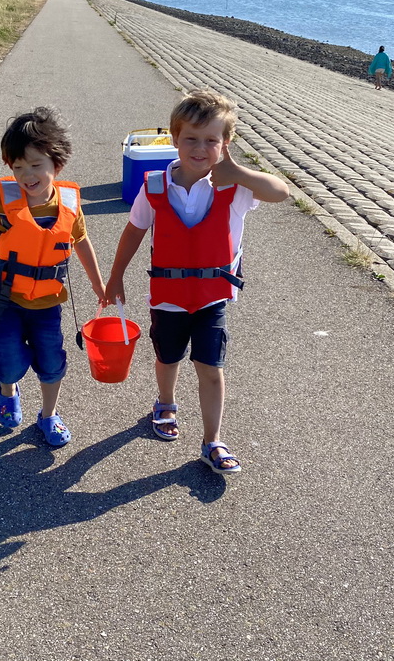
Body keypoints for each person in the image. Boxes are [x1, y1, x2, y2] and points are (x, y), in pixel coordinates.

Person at [105, 90, 289, 474]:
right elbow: (134, 231)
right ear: (174, 139)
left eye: (212, 140)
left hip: (212, 299)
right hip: (167, 298)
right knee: (167, 357)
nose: (200, 148)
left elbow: (280, 192)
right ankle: (165, 402)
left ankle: (212, 441)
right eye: (191, 138)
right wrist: (115, 277)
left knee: (210, 367)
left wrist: (238, 172)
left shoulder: (236, 189)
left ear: (226, 144)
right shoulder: (154, 186)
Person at [0, 107, 107, 447]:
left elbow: (80, 240)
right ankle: (8, 388)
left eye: (36, 165)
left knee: (52, 363)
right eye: (18, 167)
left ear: (57, 164)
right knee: (8, 364)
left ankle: (48, 415)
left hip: (47, 303)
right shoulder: (0, 199)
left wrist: (99, 283)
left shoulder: (69, 204)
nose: (27, 175)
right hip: (6, 301)